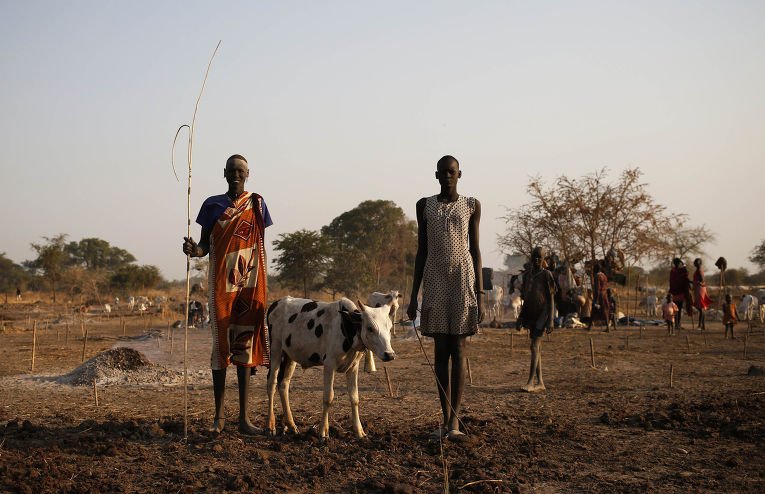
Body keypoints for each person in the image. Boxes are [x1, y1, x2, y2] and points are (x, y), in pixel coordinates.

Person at [182, 154, 272, 435]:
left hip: (249, 284)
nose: (236, 175)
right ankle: (218, 418)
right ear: (224, 173)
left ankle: (244, 419)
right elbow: (203, 248)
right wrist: (192, 250)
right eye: (231, 170)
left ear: (248, 174)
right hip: (221, 285)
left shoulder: (257, 204)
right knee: (221, 348)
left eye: (240, 171)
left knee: (244, 346)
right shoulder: (211, 205)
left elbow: (259, 245)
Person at [407, 155, 483, 440]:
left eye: (452, 172)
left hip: (463, 280)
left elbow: (475, 250)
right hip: (435, 279)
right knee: (440, 352)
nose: (447, 176)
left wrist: (481, 294)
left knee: (458, 350)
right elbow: (421, 251)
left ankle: (454, 419)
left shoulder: (471, 205)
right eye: (443, 172)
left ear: (459, 174)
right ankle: (445, 418)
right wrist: (413, 296)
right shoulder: (424, 206)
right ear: (436, 175)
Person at [517, 247, 556, 392]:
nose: (536, 260)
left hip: (542, 315)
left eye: (539, 257)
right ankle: (540, 382)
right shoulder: (527, 275)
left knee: (534, 346)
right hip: (530, 313)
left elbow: (551, 299)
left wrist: (550, 319)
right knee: (535, 348)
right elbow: (525, 299)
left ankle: (530, 382)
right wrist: (520, 317)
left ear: (544, 258)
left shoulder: (547, 275)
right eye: (534, 257)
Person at [669, 258, 692, 329]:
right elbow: (686, 277)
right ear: (679, 264)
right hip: (680, 293)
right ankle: (677, 324)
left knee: (676, 310)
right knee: (679, 309)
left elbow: (671, 282)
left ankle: (676, 324)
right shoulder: (682, 271)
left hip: (674, 293)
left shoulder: (672, 271)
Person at [692, 258, 714, 330]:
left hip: (699, 289)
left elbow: (701, 280)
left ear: (699, 263)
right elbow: (697, 280)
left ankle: (699, 325)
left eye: (696, 262)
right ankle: (703, 325)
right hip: (698, 288)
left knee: (700, 307)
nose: (695, 263)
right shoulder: (698, 270)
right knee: (701, 307)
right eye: (695, 262)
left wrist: (698, 283)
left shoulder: (699, 270)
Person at [588, 264, 610, 330]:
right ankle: (608, 327)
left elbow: (597, 288)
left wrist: (596, 299)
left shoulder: (597, 277)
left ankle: (589, 327)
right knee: (605, 311)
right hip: (604, 295)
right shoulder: (604, 276)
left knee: (594, 311)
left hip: (599, 296)